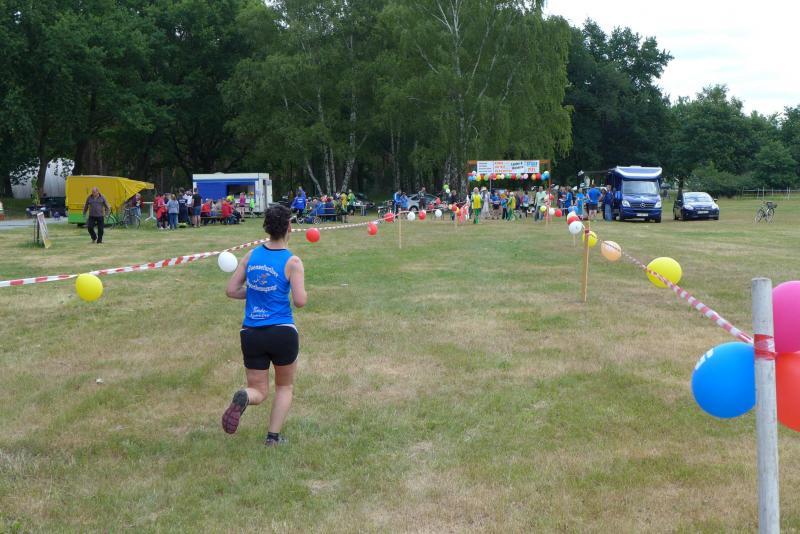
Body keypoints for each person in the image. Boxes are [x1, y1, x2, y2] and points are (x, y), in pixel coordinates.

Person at [221, 205, 307, 446]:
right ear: (289, 227)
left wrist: (255, 293)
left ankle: (245, 396)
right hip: (282, 332)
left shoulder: (251, 256)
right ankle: (272, 438)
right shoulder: (293, 261)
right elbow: (300, 301)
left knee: (258, 390)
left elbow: (231, 290)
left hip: (251, 333)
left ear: (266, 227)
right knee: (284, 386)